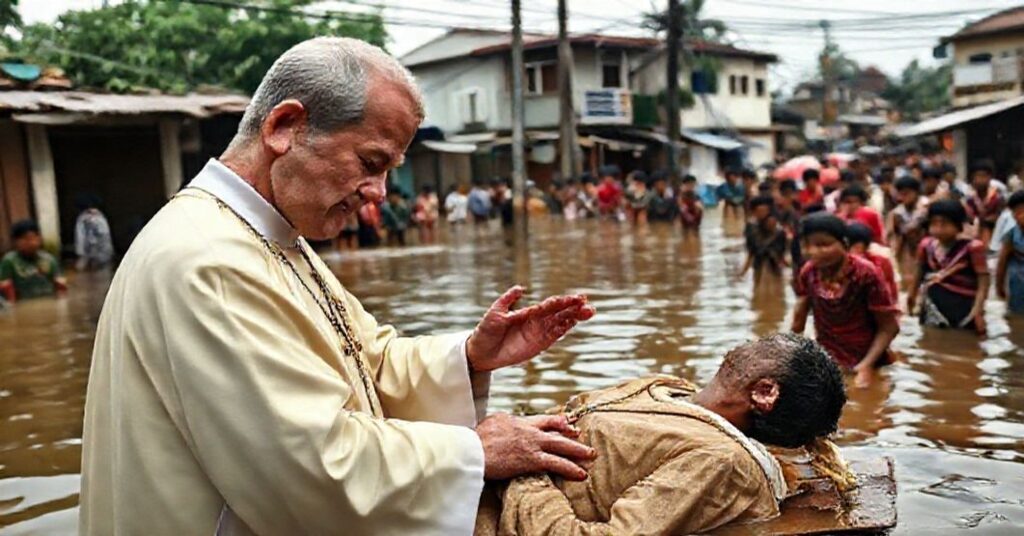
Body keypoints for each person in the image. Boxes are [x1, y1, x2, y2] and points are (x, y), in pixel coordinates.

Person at [80, 37, 599, 536]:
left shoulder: (274, 236)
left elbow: (365, 358)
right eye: (370, 163)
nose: (377, 194)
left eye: (390, 171)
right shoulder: (206, 258)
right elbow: (305, 467)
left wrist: (467, 357)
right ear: (285, 127)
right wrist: (473, 452)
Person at [478, 334, 848, 536]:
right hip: (463, 467)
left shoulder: (721, 460)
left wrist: (525, 469)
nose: (756, 340)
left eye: (770, 346)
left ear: (765, 392)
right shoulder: (665, 387)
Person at [792, 213, 900, 388]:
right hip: (827, 360)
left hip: (867, 360)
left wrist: (865, 366)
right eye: (806, 245)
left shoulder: (866, 273)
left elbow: (890, 327)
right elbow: (798, 323)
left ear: (844, 243)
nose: (812, 252)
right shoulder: (809, 272)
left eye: (823, 245)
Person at [907, 200, 990, 336]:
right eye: (934, 223)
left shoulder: (973, 248)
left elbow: (983, 281)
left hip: (964, 306)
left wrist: (978, 310)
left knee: (965, 345)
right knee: (930, 342)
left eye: (944, 223)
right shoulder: (926, 246)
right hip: (932, 306)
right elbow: (918, 274)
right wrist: (911, 298)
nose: (938, 228)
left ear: (958, 225)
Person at [0, 219, 67, 303]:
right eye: (25, 239)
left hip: (47, 302)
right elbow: (5, 288)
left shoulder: (49, 259)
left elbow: (60, 286)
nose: (31, 243)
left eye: (34, 238)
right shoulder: (9, 261)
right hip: (23, 303)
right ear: (15, 242)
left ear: (39, 238)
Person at [741, 196, 788, 283]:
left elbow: (782, 251)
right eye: (759, 211)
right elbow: (751, 250)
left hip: (774, 264)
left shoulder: (779, 231)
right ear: (754, 212)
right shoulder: (751, 227)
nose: (762, 214)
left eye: (764, 211)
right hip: (759, 264)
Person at [848, 222, 898, 300]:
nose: (855, 252)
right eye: (853, 247)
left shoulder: (881, 262)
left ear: (866, 247)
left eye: (858, 248)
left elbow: (891, 286)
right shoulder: (842, 263)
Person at [965, 159, 1006, 245]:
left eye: (983, 176)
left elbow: (1001, 217)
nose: (980, 180)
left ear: (990, 177)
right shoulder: (969, 198)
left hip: (996, 235)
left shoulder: (998, 197)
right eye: (977, 176)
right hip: (974, 236)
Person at [996, 191, 1024, 315]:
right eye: (1018, 212)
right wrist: (999, 286)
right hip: (1018, 281)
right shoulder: (1011, 234)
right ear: (1013, 215)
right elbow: (1002, 261)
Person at [889, 176, 929, 261]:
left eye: (906, 194)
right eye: (900, 194)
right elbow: (899, 235)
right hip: (910, 252)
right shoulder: (898, 212)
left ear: (916, 192)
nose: (902, 197)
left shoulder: (926, 205)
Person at [73, 194, 115, 270]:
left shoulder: (86, 218)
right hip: (100, 251)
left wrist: (81, 251)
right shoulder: (99, 217)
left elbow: (81, 237)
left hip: (95, 250)